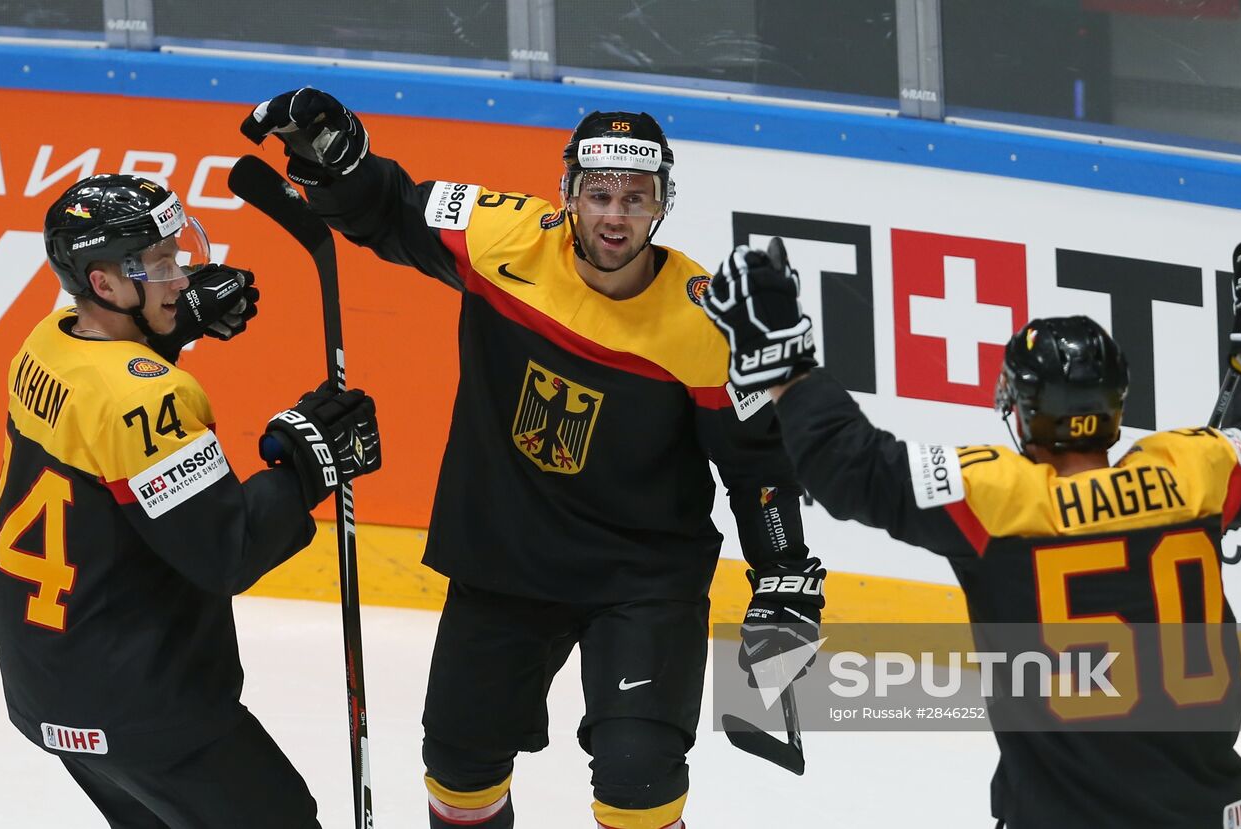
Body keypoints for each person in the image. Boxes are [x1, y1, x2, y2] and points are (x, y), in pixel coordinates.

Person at [240, 88, 824, 828]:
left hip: (641, 575)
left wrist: (780, 572)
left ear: (663, 205)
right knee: (457, 772)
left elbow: (756, 469)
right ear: (568, 195)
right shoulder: (499, 235)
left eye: (637, 198)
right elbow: (387, 210)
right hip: (505, 558)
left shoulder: (707, 322)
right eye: (599, 193)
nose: (616, 215)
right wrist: (337, 159)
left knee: (638, 777)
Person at [703, 238, 1241, 828]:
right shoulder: (1195, 472)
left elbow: (847, 466)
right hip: (1214, 813)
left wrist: (784, 362)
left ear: (1019, 409)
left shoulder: (999, 501)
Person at [0, 173, 384, 829]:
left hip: (47, 682)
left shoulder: (47, 342)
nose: (181, 276)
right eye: (161, 264)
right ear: (106, 285)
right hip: (142, 699)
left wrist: (172, 322)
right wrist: (310, 462)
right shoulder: (149, 401)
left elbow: (104, 390)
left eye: (177, 254)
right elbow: (227, 549)